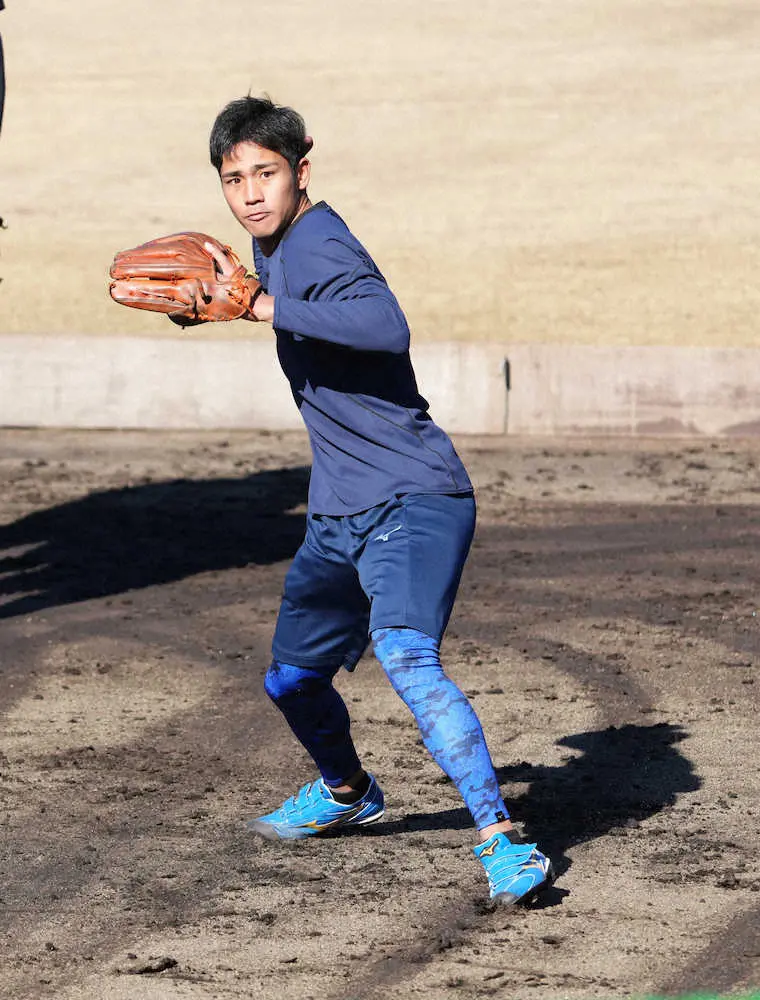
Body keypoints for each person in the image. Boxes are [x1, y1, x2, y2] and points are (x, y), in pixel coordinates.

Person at [203, 95, 553, 905]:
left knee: (405, 655)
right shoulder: (273, 245)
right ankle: (347, 792)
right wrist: (228, 302)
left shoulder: (321, 241)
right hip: (337, 511)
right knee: (292, 680)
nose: (250, 194)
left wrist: (262, 307)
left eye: (266, 173)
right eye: (233, 178)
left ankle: (502, 840)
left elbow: (386, 326)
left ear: (302, 171)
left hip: (413, 497)